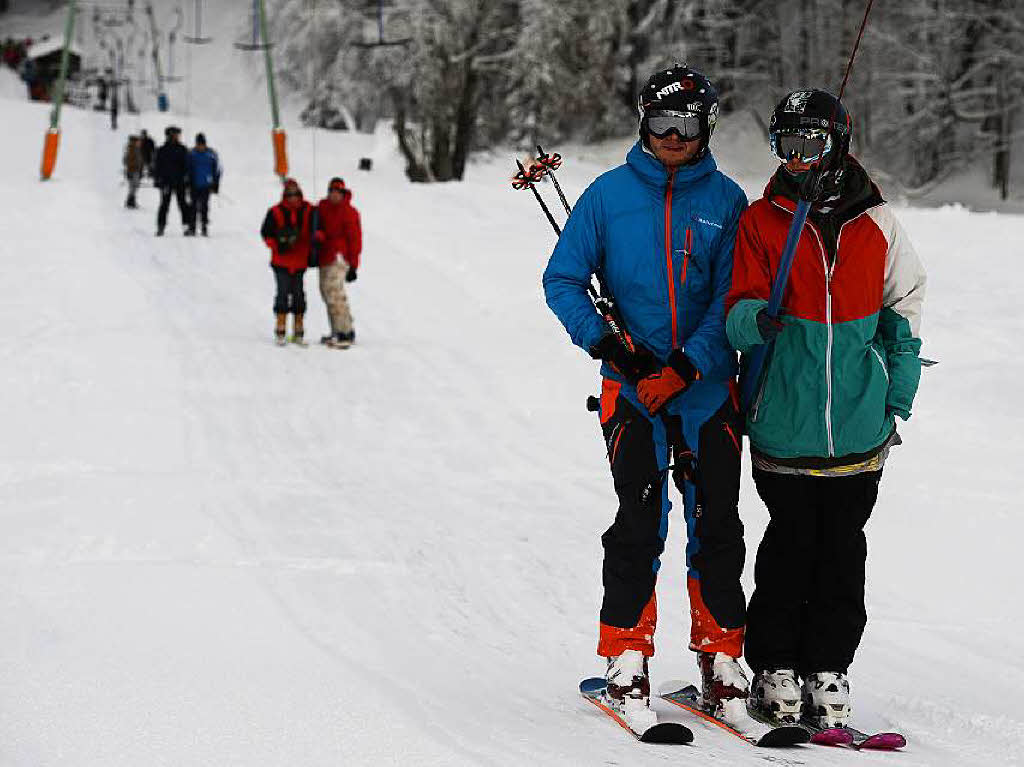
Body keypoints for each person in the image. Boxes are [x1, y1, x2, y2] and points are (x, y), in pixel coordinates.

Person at [543, 65, 749, 729]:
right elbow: (564, 280)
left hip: (705, 391)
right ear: (641, 121)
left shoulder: (727, 201)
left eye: (685, 124)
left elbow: (732, 299)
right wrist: (610, 348)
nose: (671, 136)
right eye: (660, 121)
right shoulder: (606, 197)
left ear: (705, 127)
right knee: (638, 521)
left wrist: (688, 366)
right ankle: (626, 653)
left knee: (716, 524)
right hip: (631, 393)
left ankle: (721, 656)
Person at [724, 89, 927, 729]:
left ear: (837, 141)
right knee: (787, 550)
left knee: (843, 553)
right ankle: (775, 667)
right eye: (788, 145)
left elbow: (905, 308)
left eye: (812, 143)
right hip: (784, 422)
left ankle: (828, 668)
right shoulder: (763, 222)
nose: (800, 157)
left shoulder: (877, 223)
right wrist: (757, 319)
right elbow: (734, 311)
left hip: (861, 432)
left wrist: (897, 389)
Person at [260, 178, 324, 345]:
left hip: (301, 260)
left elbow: (319, 228)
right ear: (284, 196)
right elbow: (266, 233)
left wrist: (318, 237)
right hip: (281, 261)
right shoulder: (275, 212)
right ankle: (280, 326)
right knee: (282, 293)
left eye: (295, 194)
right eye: (290, 195)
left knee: (298, 294)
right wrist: (277, 246)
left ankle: (298, 327)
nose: (293, 198)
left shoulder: (310, 210)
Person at [315, 177, 361, 348]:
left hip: (340, 257)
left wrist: (354, 265)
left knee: (334, 292)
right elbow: (314, 223)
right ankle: (336, 330)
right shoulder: (322, 207)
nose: (334, 195)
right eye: (332, 192)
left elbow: (355, 239)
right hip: (324, 255)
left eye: (338, 192)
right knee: (325, 291)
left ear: (343, 193)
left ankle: (345, 331)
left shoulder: (349, 212)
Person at [153, 126, 191, 237]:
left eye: (178, 135)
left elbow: (187, 166)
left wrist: (187, 179)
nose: (177, 137)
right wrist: (157, 179)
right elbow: (157, 166)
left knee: (183, 204)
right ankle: (161, 227)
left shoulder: (183, 149)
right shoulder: (162, 150)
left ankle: (186, 226)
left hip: (180, 182)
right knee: (164, 205)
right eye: (175, 135)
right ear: (169, 135)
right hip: (166, 182)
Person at [186, 132, 221, 236]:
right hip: (194, 185)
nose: (200, 146)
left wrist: (216, 184)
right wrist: (187, 181)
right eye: (198, 144)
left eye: (202, 144)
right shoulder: (191, 154)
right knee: (193, 207)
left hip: (206, 185)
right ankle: (192, 227)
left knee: (204, 207)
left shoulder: (211, 154)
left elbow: (217, 170)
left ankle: (204, 227)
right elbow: (187, 168)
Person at [123, 134, 144, 209]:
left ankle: (131, 201)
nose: (139, 142)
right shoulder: (131, 149)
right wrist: (134, 165)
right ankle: (130, 202)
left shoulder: (136, 149)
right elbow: (126, 161)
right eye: (138, 141)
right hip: (133, 171)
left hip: (136, 171)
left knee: (135, 187)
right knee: (133, 187)